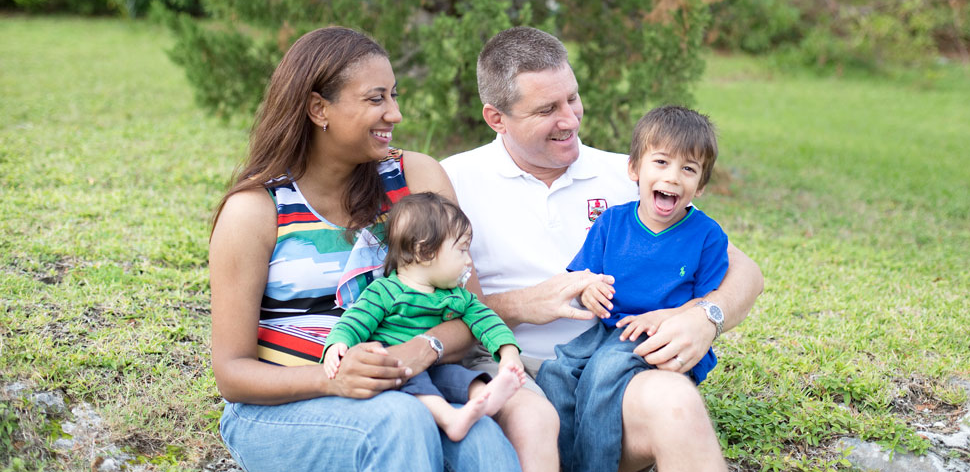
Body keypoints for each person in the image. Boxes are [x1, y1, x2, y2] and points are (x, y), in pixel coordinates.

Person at [442, 26, 765, 472]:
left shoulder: (632, 174)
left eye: (572, 98)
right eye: (547, 109)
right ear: (496, 117)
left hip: (617, 360)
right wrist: (520, 304)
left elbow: (744, 271)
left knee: (676, 404)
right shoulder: (453, 182)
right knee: (526, 427)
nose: (571, 119)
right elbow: (424, 308)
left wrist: (704, 318)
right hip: (503, 366)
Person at [209, 26, 522, 472]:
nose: (394, 114)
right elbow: (232, 373)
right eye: (376, 99)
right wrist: (331, 378)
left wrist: (422, 348)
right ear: (319, 108)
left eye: (394, 95)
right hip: (280, 409)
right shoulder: (255, 211)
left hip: (405, 388)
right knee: (398, 421)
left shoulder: (416, 180)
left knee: (482, 441)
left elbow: (469, 309)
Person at [536, 106, 730, 472]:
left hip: (660, 337)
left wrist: (673, 316)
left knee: (604, 372)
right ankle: (561, 461)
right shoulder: (613, 221)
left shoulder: (707, 236)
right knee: (555, 371)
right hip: (609, 329)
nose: (672, 178)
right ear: (634, 169)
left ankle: (592, 466)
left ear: (701, 185)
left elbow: (707, 300)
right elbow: (584, 276)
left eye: (688, 169)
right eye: (661, 162)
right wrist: (589, 289)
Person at [322, 192, 527, 442]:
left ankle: (485, 398)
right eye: (462, 250)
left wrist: (508, 352)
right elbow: (355, 321)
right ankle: (449, 419)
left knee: (462, 377)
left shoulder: (457, 296)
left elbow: (488, 321)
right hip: (396, 368)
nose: (468, 262)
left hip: (435, 367)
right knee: (414, 379)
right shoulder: (385, 291)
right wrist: (337, 344)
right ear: (425, 252)